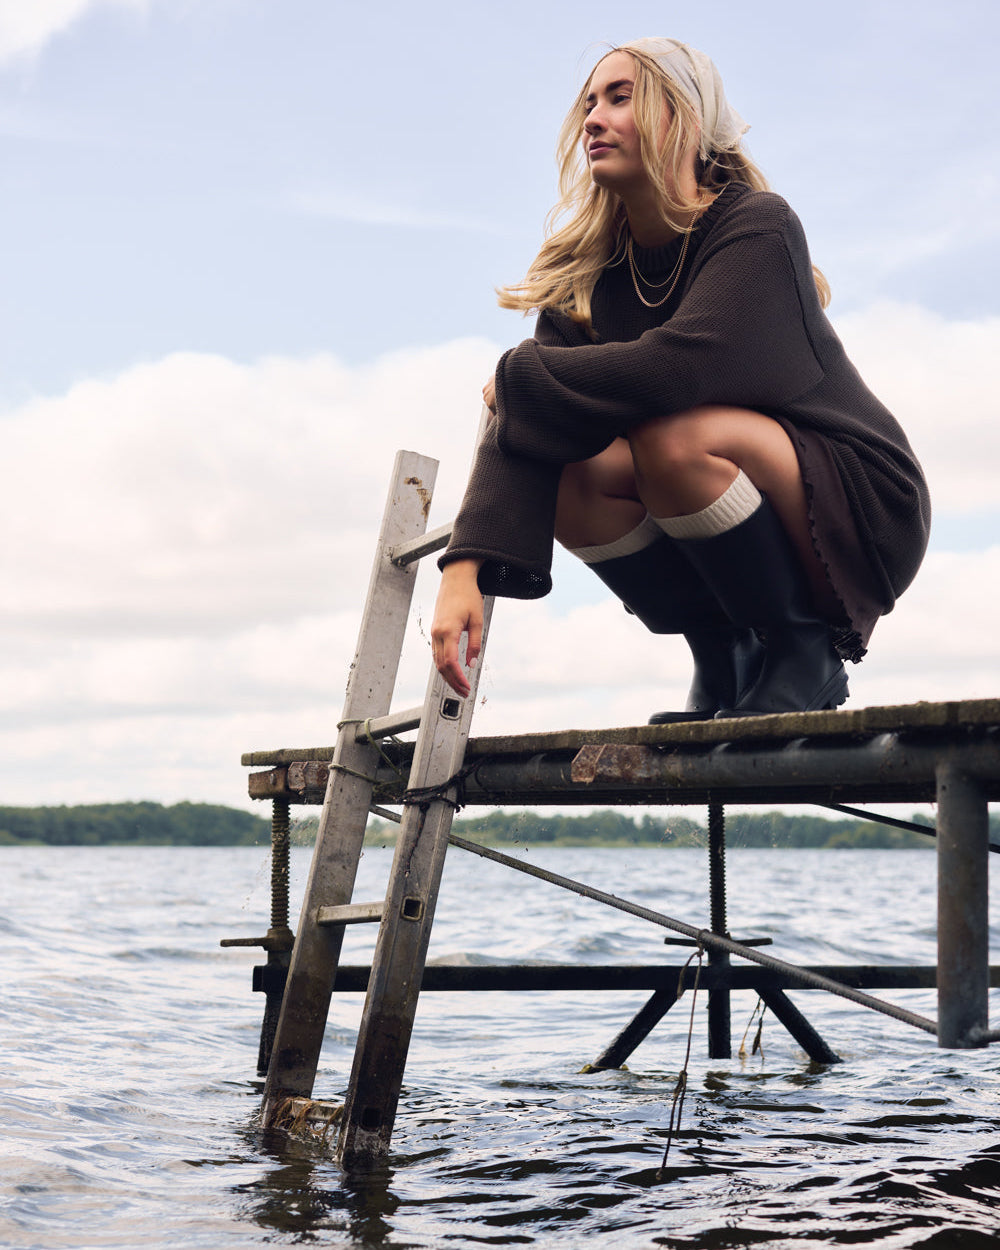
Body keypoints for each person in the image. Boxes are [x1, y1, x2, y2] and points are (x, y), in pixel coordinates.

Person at [431, 38, 930, 720]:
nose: (593, 118)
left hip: (859, 501)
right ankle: (723, 652)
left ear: (686, 120)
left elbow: (678, 369)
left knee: (670, 437)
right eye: (588, 104)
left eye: (620, 97)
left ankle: (803, 652)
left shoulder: (756, 225)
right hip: (729, 486)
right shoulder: (590, 273)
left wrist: (518, 375)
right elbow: (530, 418)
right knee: (572, 473)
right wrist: (463, 567)